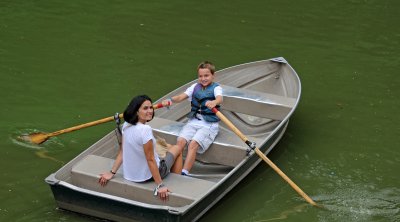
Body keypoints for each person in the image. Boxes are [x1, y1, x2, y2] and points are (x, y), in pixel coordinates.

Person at [98, 95, 183, 201]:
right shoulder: (145, 130)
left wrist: (112, 172)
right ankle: (176, 180)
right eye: (145, 108)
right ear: (136, 112)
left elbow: (123, 150)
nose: (150, 111)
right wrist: (160, 185)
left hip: (130, 175)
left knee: (166, 147)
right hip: (148, 175)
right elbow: (150, 159)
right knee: (178, 148)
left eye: (151, 107)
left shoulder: (126, 125)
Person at [162, 61, 223, 176]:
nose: (203, 78)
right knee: (180, 142)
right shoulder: (194, 87)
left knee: (193, 144)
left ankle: (185, 172)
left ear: (213, 76)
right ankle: (169, 167)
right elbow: (180, 97)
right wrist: (170, 100)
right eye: (200, 76)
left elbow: (220, 98)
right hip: (194, 121)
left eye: (206, 75)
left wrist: (214, 102)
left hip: (209, 125)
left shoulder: (216, 88)